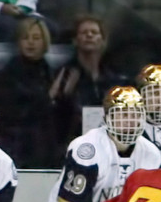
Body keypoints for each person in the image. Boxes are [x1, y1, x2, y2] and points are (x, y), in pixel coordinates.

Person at [27, 86, 161, 202]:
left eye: (134, 115)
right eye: (122, 115)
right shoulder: (87, 149)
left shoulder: (151, 155)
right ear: (107, 118)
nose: (129, 122)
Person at [50, 15, 127, 152]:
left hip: (110, 143)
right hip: (72, 143)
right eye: (84, 33)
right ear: (75, 40)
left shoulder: (115, 77)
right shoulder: (64, 74)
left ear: (103, 41)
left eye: (94, 32)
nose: (89, 35)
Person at [0, 17, 58, 168]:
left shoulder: (49, 72)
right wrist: (47, 98)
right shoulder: (10, 72)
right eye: (25, 38)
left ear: (45, 42)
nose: (31, 42)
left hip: (45, 141)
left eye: (36, 38)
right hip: (17, 140)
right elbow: (13, 111)